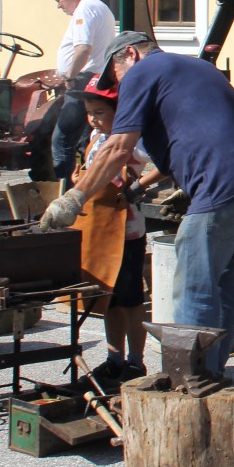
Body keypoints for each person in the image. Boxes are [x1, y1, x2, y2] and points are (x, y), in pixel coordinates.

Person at [40, 31, 234, 379]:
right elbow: (194, 135)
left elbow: (119, 147)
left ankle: (189, 382)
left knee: (195, 289)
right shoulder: (195, 68)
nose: (118, 87)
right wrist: (145, 186)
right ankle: (211, 376)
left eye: (115, 75)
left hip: (222, 187)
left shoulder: (142, 71)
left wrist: (75, 196)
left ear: (130, 56)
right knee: (228, 289)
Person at [68, 80, 163, 386]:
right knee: (108, 299)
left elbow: (165, 162)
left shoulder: (133, 141)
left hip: (126, 233)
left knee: (131, 300)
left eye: (99, 112)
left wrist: (139, 185)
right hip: (97, 230)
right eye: (89, 112)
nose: (93, 118)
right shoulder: (96, 137)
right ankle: (114, 359)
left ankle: (136, 362)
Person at [45, 0, 116, 180]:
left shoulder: (84, 10)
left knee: (62, 139)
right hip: (94, 78)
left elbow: (83, 49)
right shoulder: (97, 6)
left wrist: (70, 77)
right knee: (88, 139)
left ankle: (65, 189)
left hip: (83, 80)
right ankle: (88, 182)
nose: (59, 5)